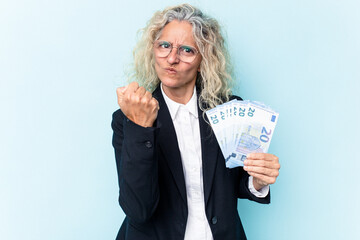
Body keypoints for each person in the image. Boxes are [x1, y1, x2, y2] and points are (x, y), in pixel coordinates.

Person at [111, 3, 280, 240]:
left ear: (203, 60)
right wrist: (141, 127)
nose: (172, 58)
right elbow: (138, 209)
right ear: (153, 50)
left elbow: (240, 182)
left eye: (187, 50)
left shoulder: (230, 111)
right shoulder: (126, 119)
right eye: (165, 45)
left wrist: (258, 180)